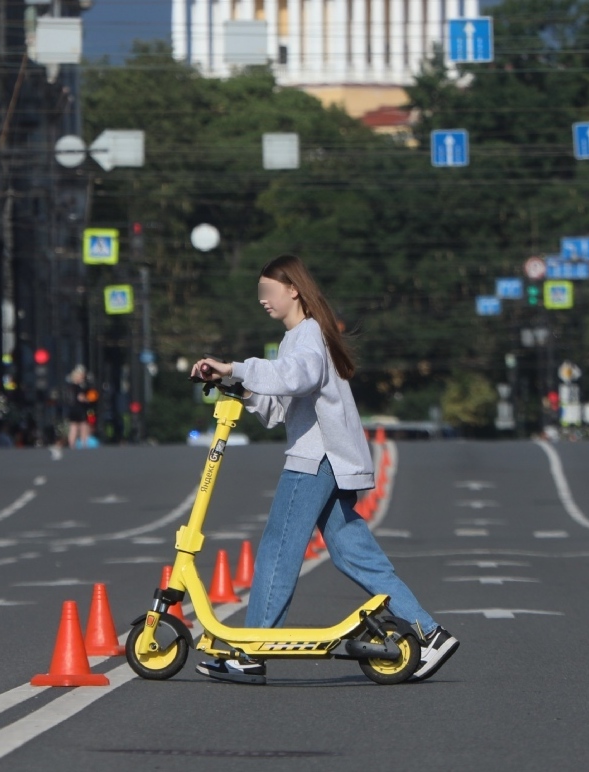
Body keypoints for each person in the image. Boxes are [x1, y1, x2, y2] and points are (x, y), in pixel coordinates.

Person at [190, 254, 458, 685]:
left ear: (293, 289)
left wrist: (238, 366)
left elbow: (299, 376)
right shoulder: (299, 338)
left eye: (268, 291)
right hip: (330, 460)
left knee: (278, 551)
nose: (262, 300)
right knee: (356, 554)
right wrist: (234, 384)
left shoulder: (308, 334)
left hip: (314, 460)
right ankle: (430, 632)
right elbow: (279, 407)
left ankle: (250, 652)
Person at [65, 365, 91, 449]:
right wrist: (87, 399)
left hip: (71, 408)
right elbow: (80, 397)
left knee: (73, 427)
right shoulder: (78, 387)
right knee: (84, 426)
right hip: (79, 408)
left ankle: (72, 444)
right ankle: (84, 444)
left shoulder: (69, 387)